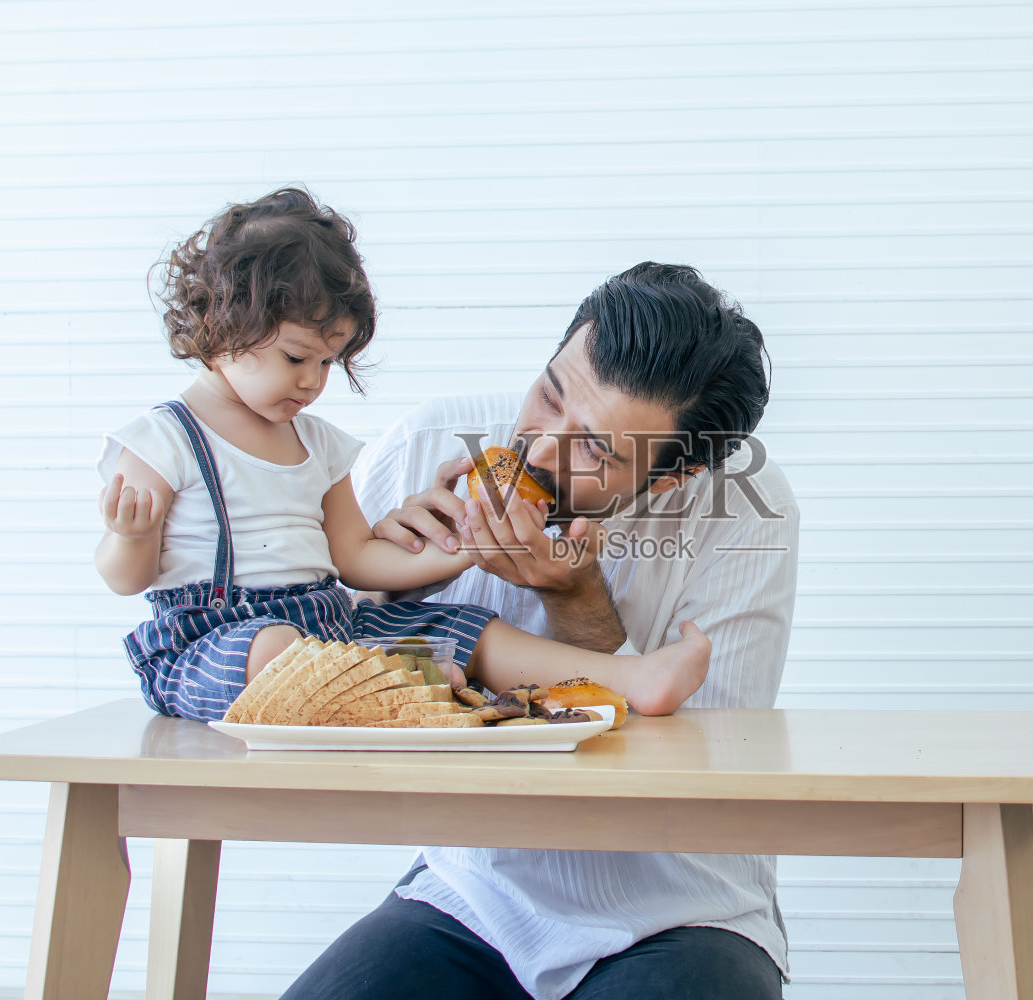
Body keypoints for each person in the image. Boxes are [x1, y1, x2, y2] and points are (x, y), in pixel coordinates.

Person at [280, 263, 801, 999]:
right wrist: (389, 579)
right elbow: (306, 681)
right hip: (476, 886)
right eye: (550, 395)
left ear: (668, 479)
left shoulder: (746, 510)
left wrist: (574, 596)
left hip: (684, 903)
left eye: (596, 449)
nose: (541, 448)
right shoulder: (428, 442)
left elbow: (702, 771)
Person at [92, 189, 710, 724]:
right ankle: (417, 689)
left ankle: (633, 678)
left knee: (469, 629)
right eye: (297, 358)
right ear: (221, 324)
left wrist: (471, 545)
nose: (313, 382)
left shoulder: (319, 445)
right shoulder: (163, 441)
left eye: (328, 362)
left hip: (330, 627)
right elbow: (125, 579)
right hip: (211, 643)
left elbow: (356, 559)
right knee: (276, 650)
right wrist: (131, 537)